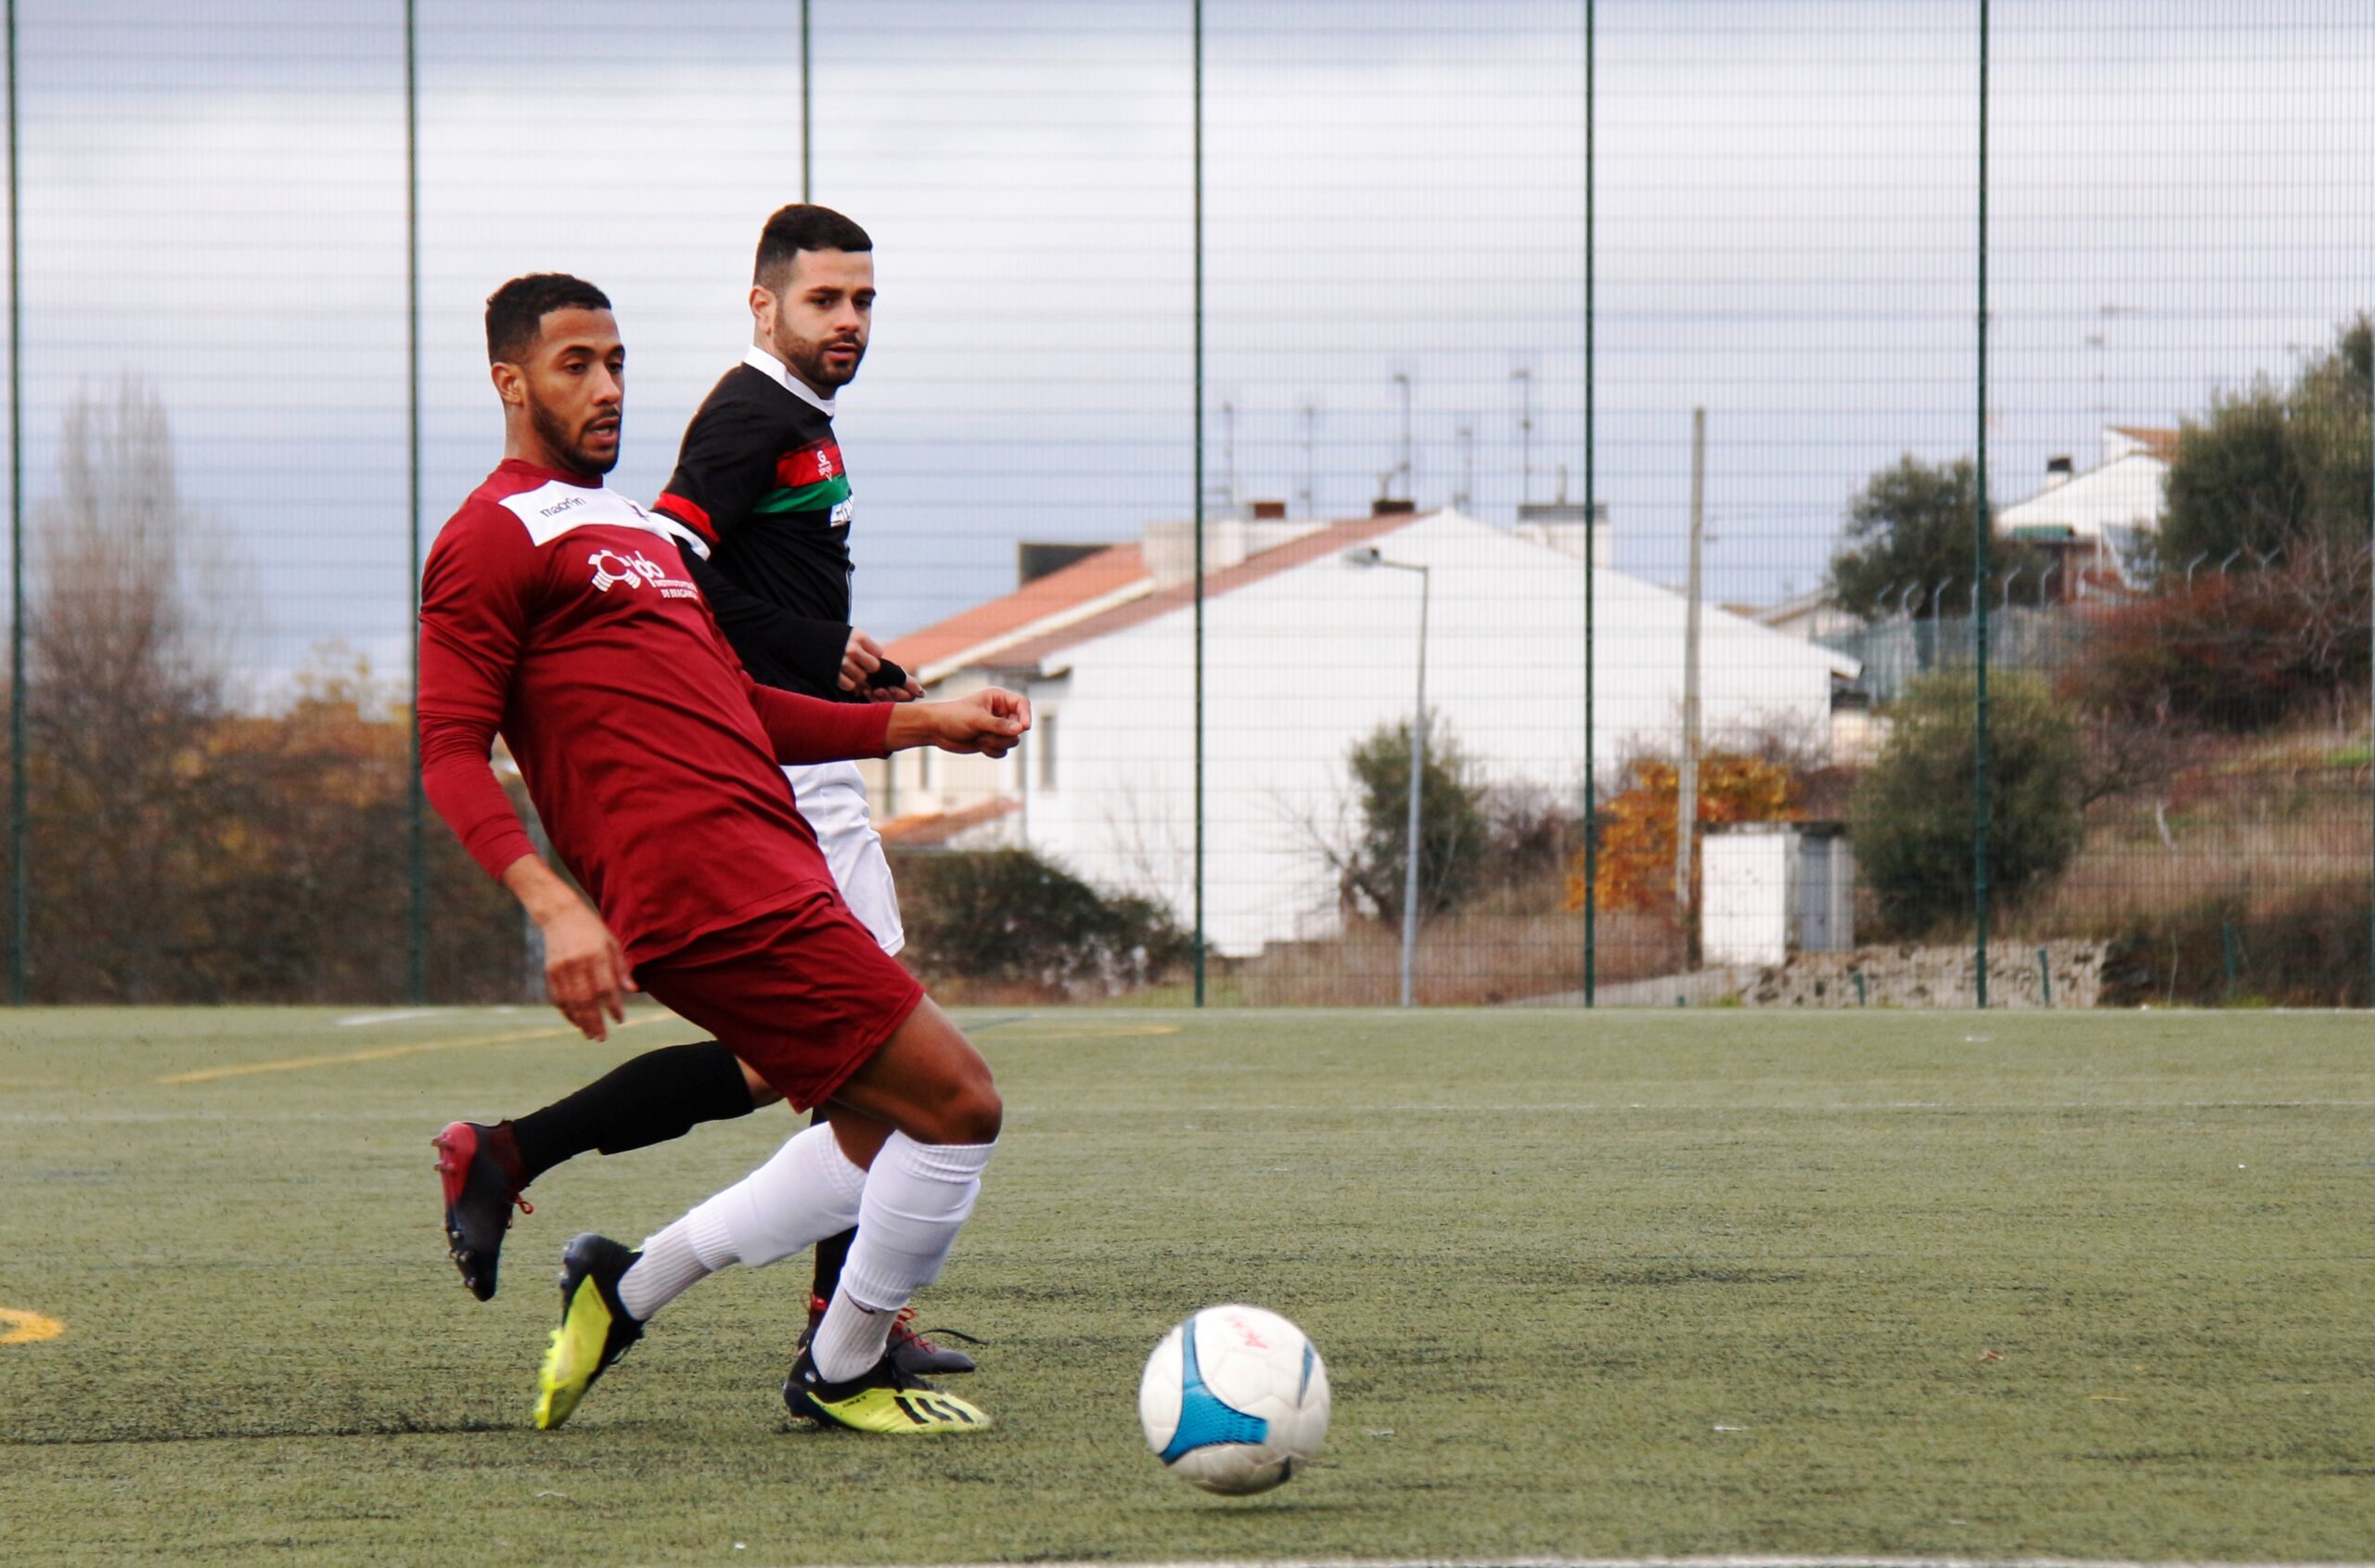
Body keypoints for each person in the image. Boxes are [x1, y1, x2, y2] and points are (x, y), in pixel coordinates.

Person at [419, 271, 1021, 1433]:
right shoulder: (486, 537)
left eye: (616, 361)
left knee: (873, 1124)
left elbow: (739, 704)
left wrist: (919, 721)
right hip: (705, 892)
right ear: (510, 382)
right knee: (959, 1105)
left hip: (773, 861)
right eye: (574, 365)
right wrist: (553, 904)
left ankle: (625, 1287)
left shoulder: (635, 530)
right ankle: (840, 1367)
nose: (607, 388)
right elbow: (449, 750)